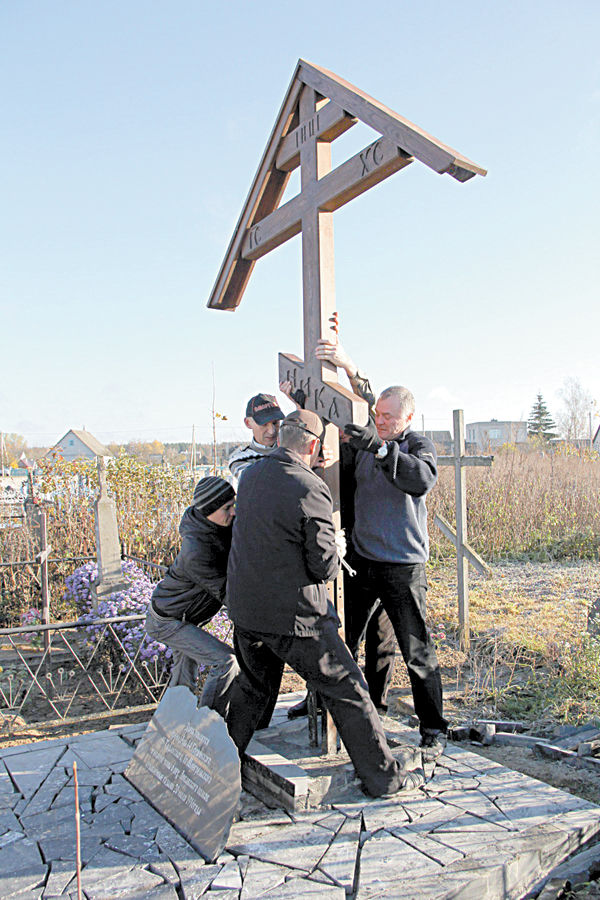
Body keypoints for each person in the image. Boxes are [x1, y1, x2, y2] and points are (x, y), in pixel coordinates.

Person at [224, 409, 409, 798]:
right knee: (348, 689)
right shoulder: (308, 486)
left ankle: (221, 763)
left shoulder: (251, 475)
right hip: (294, 616)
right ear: (312, 444)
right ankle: (384, 778)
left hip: (246, 610)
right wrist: (337, 545)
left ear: (282, 437)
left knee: (253, 688)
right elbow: (323, 566)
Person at [316, 338, 447, 759]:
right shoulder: (370, 436)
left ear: (408, 418)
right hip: (360, 561)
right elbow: (357, 406)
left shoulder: (415, 446)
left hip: (403, 566)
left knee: (414, 649)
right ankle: (363, 712)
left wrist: (382, 447)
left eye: (389, 417)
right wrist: (344, 369)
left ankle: (433, 728)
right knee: (348, 640)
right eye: (378, 416)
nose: (381, 421)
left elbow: (420, 479)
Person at [145, 476, 238, 718]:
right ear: (208, 512)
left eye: (233, 504)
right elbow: (226, 593)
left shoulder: (215, 527)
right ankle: (206, 725)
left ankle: (171, 726)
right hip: (168, 621)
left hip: (182, 617)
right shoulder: (197, 550)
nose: (233, 512)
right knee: (226, 662)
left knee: (182, 683)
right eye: (227, 508)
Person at [228, 392, 286, 483]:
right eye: (264, 424)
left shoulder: (290, 449)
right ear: (248, 423)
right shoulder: (239, 459)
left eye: (275, 423)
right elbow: (259, 483)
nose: (272, 431)